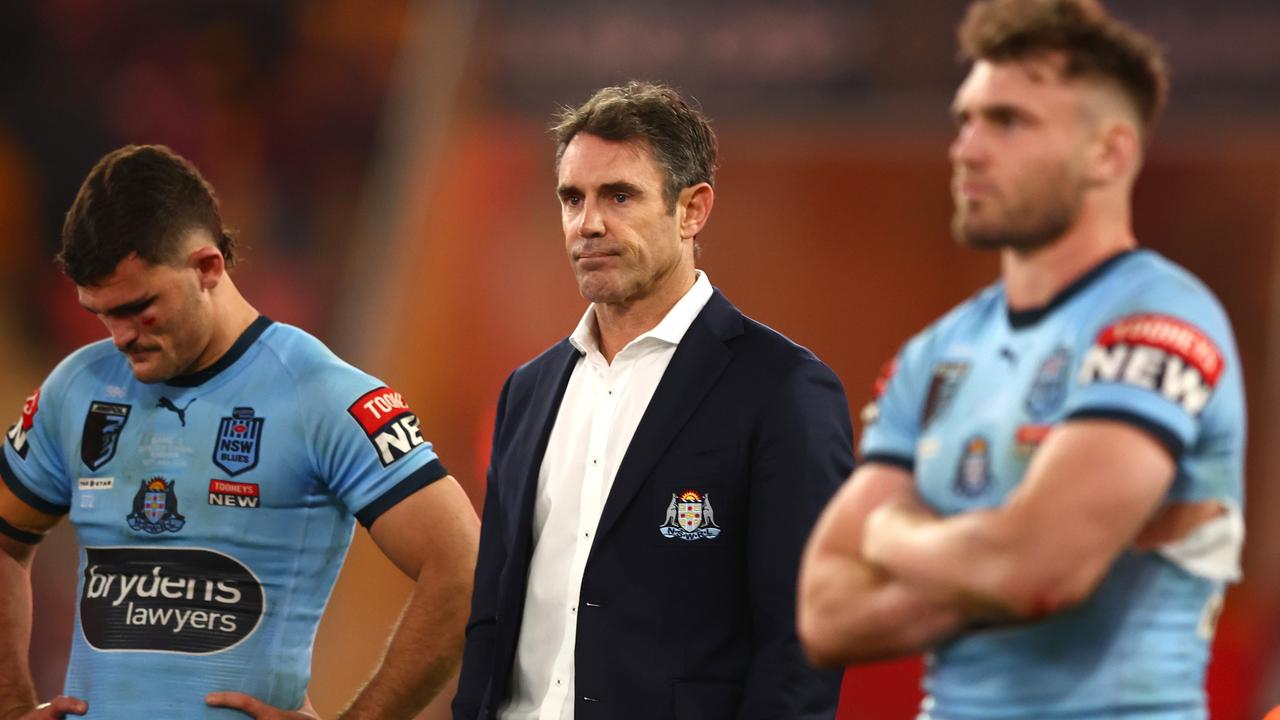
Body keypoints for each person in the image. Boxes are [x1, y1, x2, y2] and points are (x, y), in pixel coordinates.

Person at [797, 1, 1245, 717]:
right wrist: (993, 558)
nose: (966, 149)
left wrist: (895, 537)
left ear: (1110, 153)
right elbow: (825, 613)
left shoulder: (1158, 319)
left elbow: (1039, 573)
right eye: (965, 118)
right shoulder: (935, 355)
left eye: (1008, 121)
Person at [0, 145, 480, 719]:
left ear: (208, 267)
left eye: (139, 307)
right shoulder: (76, 388)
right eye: (101, 312)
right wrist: (11, 703)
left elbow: (464, 567)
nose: (119, 335)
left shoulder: (321, 394)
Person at [452, 81, 852, 720]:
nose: (589, 223)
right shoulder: (526, 393)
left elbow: (802, 643)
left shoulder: (782, 388)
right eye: (572, 198)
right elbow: (492, 614)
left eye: (620, 196)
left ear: (692, 210)